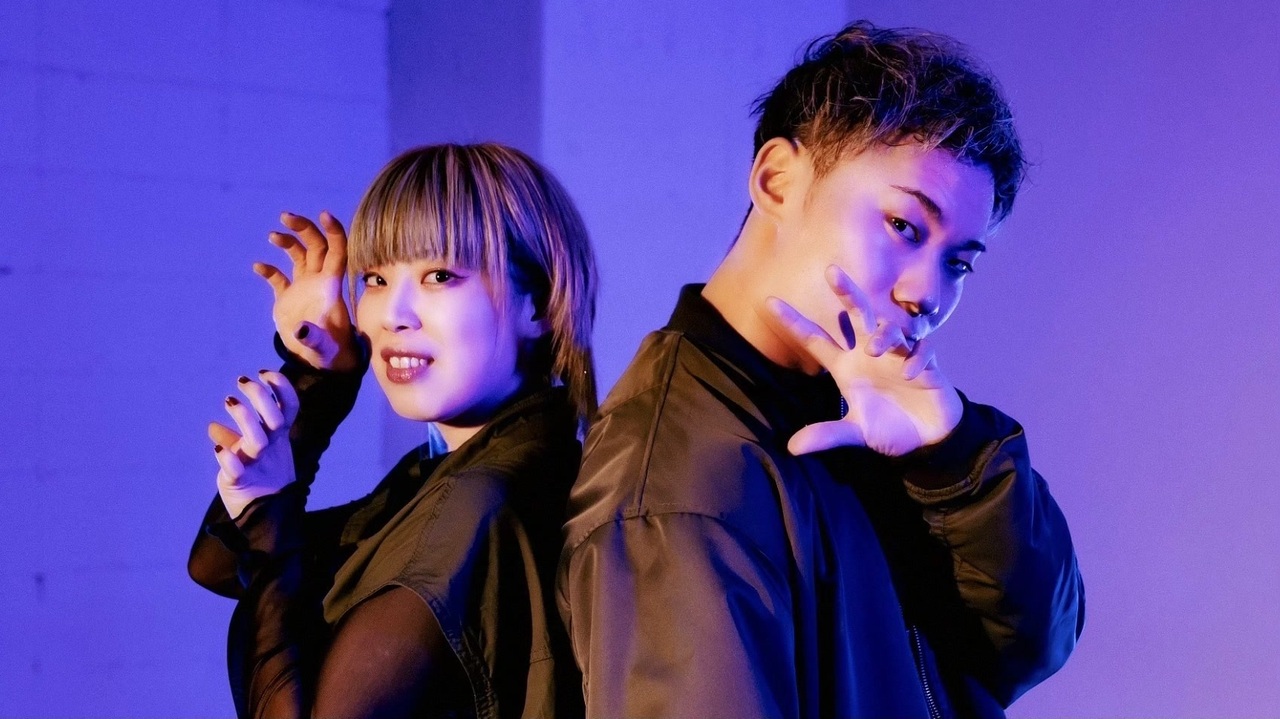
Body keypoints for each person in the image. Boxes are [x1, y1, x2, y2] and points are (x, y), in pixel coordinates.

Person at [557, 21, 1084, 718]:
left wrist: (951, 459)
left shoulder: (863, 412)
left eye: (958, 262)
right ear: (777, 180)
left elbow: (1024, 647)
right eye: (904, 226)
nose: (927, 294)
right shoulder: (683, 486)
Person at [187, 143, 596, 719]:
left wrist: (268, 510)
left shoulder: (478, 501)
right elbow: (218, 564)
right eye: (376, 278)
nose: (392, 314)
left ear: (540, 305)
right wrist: (321, 375)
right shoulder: (461, 474)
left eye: (439, 275)